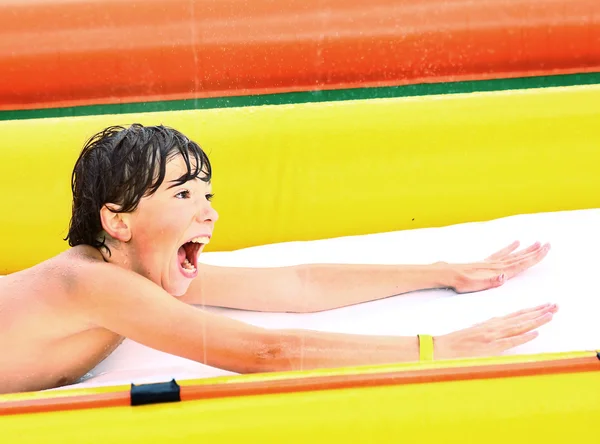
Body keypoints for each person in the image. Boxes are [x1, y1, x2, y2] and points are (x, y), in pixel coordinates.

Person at [0, 124, 557, 394]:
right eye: (183, 195)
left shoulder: (137, 271)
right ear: (117, 221)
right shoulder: (96, 283)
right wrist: (439, 349)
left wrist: (440, 273)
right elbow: (266, 352)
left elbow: (297, 285)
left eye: (207, 195)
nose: (210, 213)